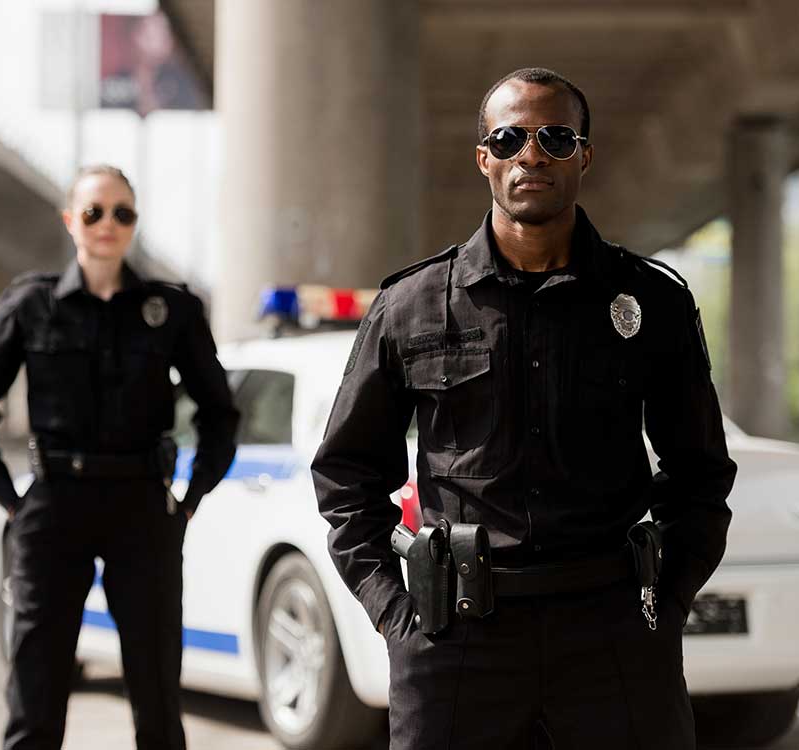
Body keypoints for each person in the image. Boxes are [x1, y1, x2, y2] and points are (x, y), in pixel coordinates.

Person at [312, 68, 737, 749]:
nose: (530, 155)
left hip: (614, 637)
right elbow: (346, 477)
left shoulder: (649, 302)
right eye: (508, 139)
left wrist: (667, 601)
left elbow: (701, 474)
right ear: (484, 157)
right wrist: (398, 617)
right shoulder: (412, 305)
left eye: (555, 137)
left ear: (584, 155)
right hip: (456, 641)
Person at [0, 164, 239, 750]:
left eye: (122, 213)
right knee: (36, 693)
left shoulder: (171, 310)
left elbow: (220, 414)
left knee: (157, 693)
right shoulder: (31, 305)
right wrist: (14, 502)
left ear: (134, 224)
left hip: (142, 508)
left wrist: (188, 501)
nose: (108, 224)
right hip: (54, 508)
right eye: (94, 212)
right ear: (70, 221)